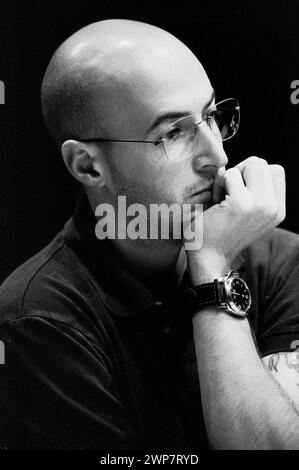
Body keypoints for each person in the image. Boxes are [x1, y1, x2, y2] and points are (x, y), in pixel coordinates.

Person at [0, 19, 299, 450]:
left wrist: (210, 263)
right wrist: (212, 270)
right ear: (87, 165)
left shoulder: (281, 259)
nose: (218, 156)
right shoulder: (39, 322)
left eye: (212, 116)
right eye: (173, 133)